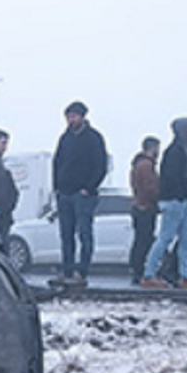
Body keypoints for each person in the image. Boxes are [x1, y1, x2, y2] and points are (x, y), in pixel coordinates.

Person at [142, 119, 187, 289]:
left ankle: (185, 276)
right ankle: (149, 274)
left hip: (186, 200)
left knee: (186, 239)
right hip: (175, 200)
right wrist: (180, 195)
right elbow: (171, 177)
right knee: (166, 237)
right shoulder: (175, 152)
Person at [52, 101, 108, 288]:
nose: (70, 120)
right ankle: (67, 269)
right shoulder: (65, 138)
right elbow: (57, 162)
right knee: (66, 234)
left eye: (74, 116)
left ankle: (81, 271)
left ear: (83, 117)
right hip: (65, 193)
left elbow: (100, 165)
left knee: (84, 233)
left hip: (83, 194)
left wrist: (89, 187)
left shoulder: (93, 138)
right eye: (68, 116)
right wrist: (57, 187)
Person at [127, 136, 162, 285]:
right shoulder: (147, 166)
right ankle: (140, 271)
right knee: (144, 240)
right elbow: (150, 187)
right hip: (146, 206)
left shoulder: (137, 165)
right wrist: (158, 198)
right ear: (152, 148)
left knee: (140, 239)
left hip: (139, 205)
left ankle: (137, 269)